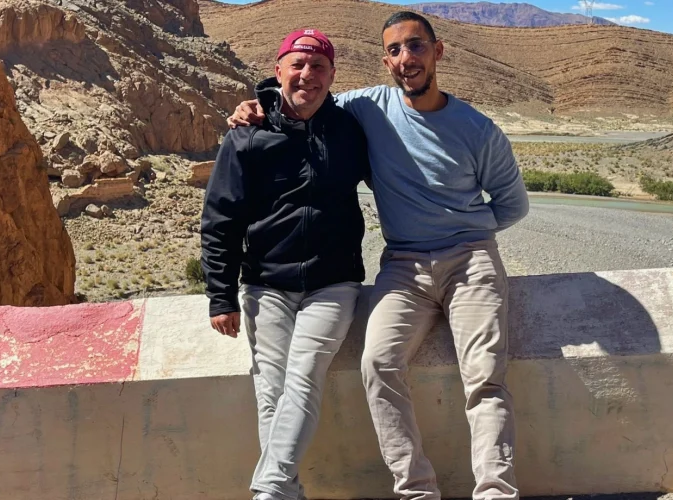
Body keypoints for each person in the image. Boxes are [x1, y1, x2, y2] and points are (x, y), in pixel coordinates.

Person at [227, 12, 529, 500]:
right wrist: (258, 102)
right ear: (385, 59)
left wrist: (464, 231)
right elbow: (305, 93)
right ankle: (416, 490)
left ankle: (495, 491)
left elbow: (513, 205)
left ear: (438, 51)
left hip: (470, 260)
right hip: (404, 266)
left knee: (484, 378)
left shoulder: (478, 130)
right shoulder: (370, 105)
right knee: (378, 364)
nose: (405, 59)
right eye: (394, 50)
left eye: (416, 47)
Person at [201, 29, 371, 500]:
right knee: (271, 392)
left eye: (318, 67)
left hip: (333, 282)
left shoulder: (350, 130)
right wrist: (220, 294)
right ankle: (284, 492)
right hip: (265, 284)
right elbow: (220, 219)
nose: (307, 75)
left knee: (303, 376)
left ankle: (270, 490)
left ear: (332, 75)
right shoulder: (248, 134)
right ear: (278, 71)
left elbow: (398, 173)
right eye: (297, 65)